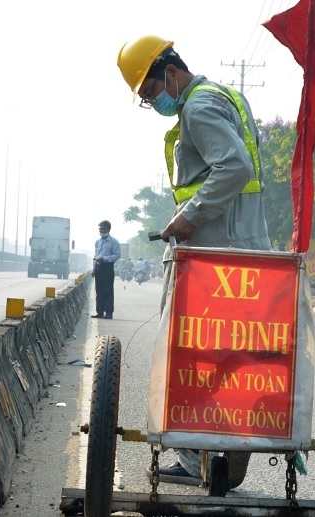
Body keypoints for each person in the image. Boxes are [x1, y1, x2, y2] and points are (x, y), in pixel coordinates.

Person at [117, 35, 271, 488]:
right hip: (243, 252)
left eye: (150, 92)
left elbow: (235, 168)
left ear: (170, 72)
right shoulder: (225, 96)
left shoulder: (198, 108)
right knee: (231, 360)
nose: (153, 101)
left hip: (210, 259)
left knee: (182, 354)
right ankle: (222, 451)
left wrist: (190, 216)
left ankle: (190, 459)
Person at [92, 220, 121, 319]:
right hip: (98, 266)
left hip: (107, 267)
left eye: (103, 229)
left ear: (108, 229)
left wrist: (105, 259)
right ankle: (99, 311)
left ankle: (108, 312)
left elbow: (117, 255)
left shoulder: (113, 241)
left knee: (107, 290)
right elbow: (95, 255)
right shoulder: (97, 242)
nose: (101, 231)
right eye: (100, 229)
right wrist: (94, 269)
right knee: (99, 290)